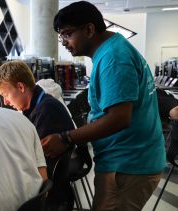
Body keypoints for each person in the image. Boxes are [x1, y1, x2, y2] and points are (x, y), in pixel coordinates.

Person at [42, 1, 166, 210]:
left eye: (67, 34)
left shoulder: (114, 58)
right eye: (60, 35)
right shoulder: (112, 51)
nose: (63, 42)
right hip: (128, 160)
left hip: (127, 165)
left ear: (89, 29)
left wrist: (67, 137)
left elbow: (119, 117)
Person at [0, 60, 76, 210]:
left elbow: (34, 160)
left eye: (5, 94)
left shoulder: (47, 110)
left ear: (21, 87)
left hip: (51, 194)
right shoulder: (39, 106)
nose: (5, 101)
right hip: (53, 188)